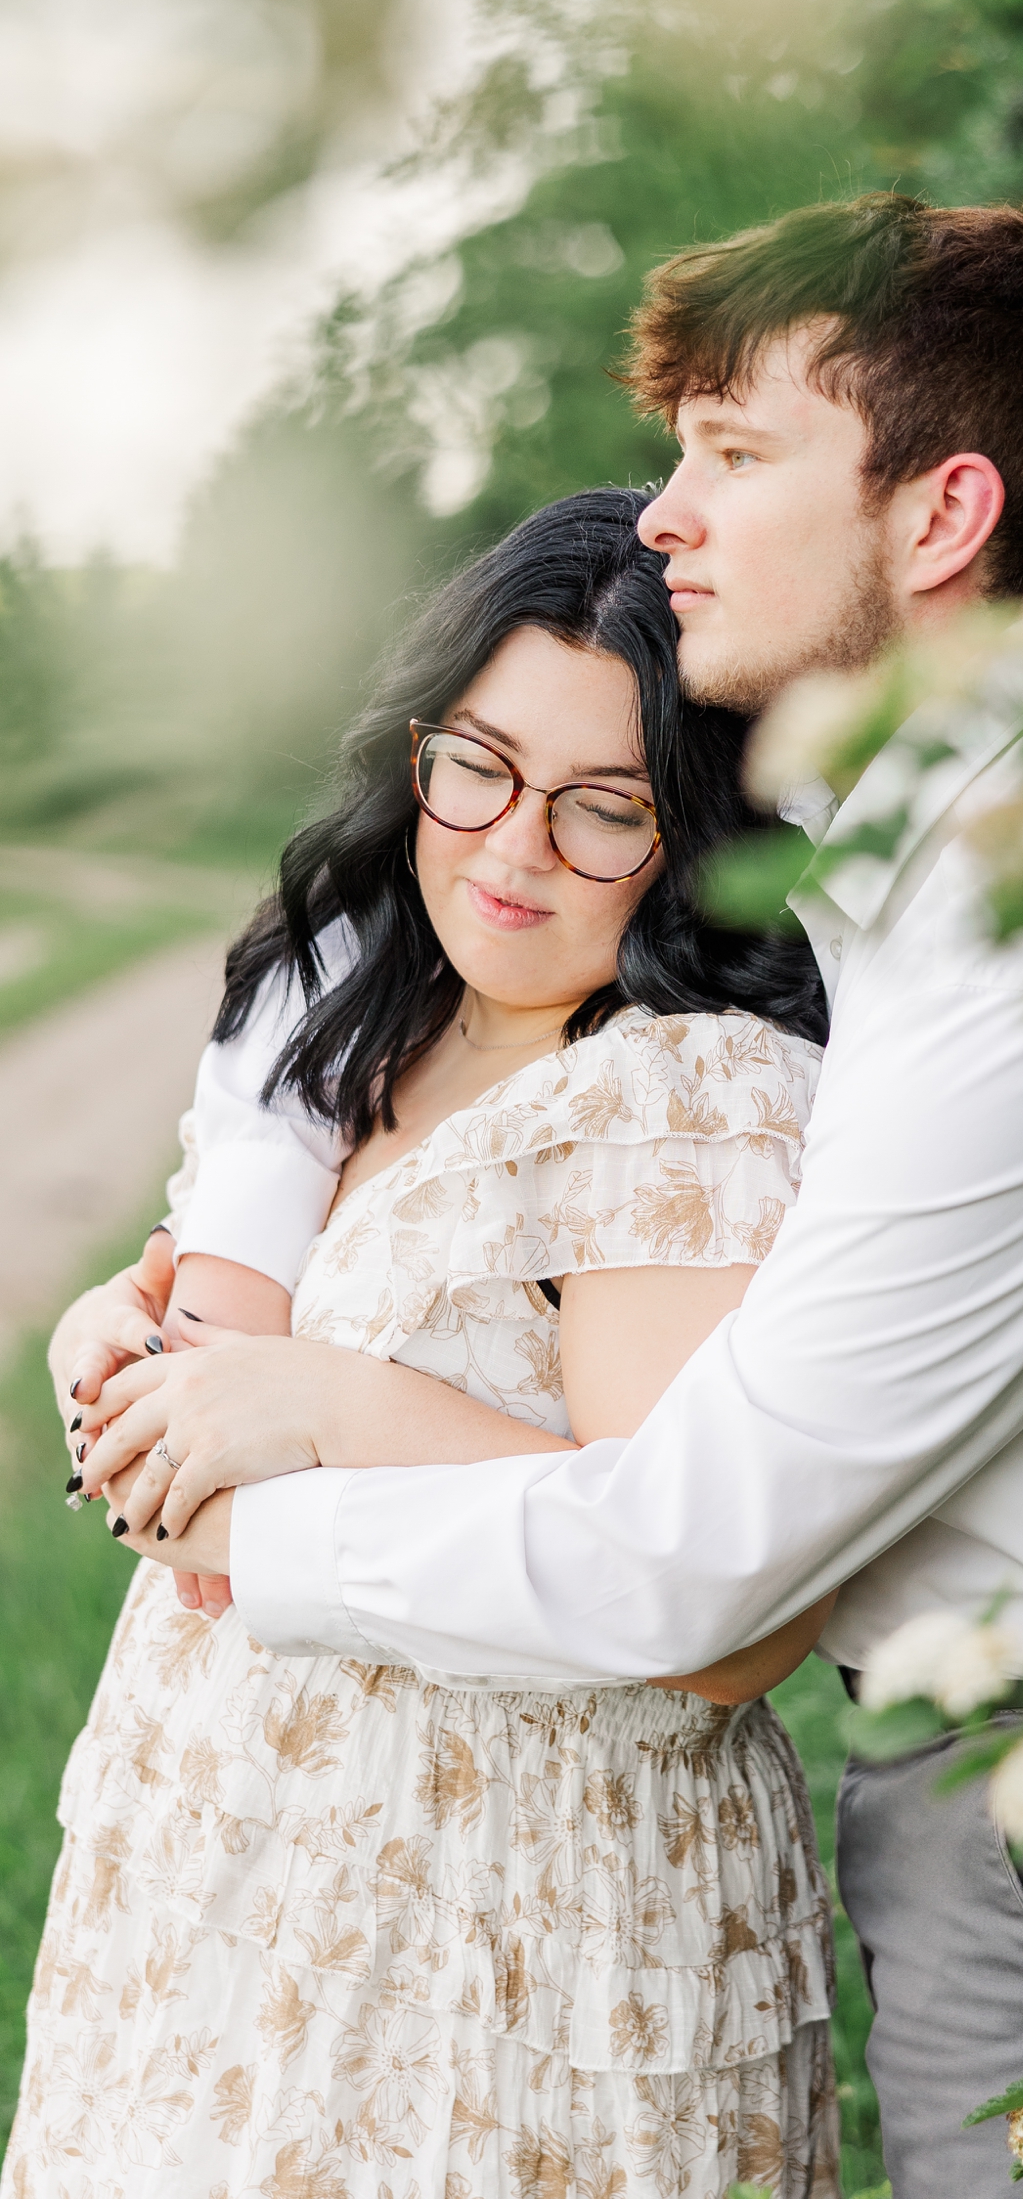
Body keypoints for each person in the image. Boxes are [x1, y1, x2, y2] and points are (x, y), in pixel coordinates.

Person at [53, 194, 1023, 2197]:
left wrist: (278, 1479)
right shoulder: (937, 865)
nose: (666, 515)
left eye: (734, 457)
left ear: (937, 519)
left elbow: (695, 1572)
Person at [9, 490, 842, 2198]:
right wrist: (121, 1339)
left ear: (697, 831)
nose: (512, 846)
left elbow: (715, 1621)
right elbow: (213, 1317)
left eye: (602, 807)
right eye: (477, 764)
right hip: (229, 1865)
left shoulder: (681, 1091)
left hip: (499, 1921)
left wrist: (328, 1398)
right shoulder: (368, 1012)